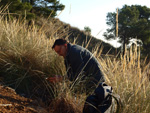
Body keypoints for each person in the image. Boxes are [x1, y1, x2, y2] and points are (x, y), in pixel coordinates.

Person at [50, 38, 113, 113]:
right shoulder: (68, 54)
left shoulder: (74, 52)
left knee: (92, 105)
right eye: (57, 52)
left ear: (65, 45)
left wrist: (62, 78)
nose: (59, 54)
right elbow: (71, 74)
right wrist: (61, 78)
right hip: (90, 79)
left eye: (59, 50)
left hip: (95, 80)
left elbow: (78, 75)